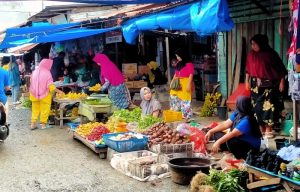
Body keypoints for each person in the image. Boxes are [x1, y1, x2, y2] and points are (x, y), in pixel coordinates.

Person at [245, 34, 287, 138]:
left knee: (269, 108)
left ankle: (269, 129)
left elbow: (281, 69)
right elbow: (248, 69)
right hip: (255, 86)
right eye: (252, 44)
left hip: (269, 86)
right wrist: (247, 81)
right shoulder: (251, 54)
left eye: (255, 44)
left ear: (261, 43)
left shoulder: (271, 54)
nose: (253, 46)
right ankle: (261, 128)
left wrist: (282, 82)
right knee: (257, 108)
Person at [30, 59, 63, 130]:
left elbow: (31, 82)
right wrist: (59, 91)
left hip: (34, 94)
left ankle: (32, 124)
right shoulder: (47, 73)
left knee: (35, 109)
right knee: (45, 109)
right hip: (44, 95)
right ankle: (43, 125)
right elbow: (51, 86)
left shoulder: (34, 71)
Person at [169, 48, 194, 119]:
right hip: (177, 82)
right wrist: (172, 82)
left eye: (178, 56)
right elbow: (175, 74)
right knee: (173, 95)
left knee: (185, 98)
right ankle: (176, 112)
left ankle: (186, 115)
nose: (177, 58)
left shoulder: (189, 64)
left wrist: (189, 84)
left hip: (186, 82)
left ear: (183, 55)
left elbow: (191, 74)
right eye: (176, 56)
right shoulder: (178, 63)